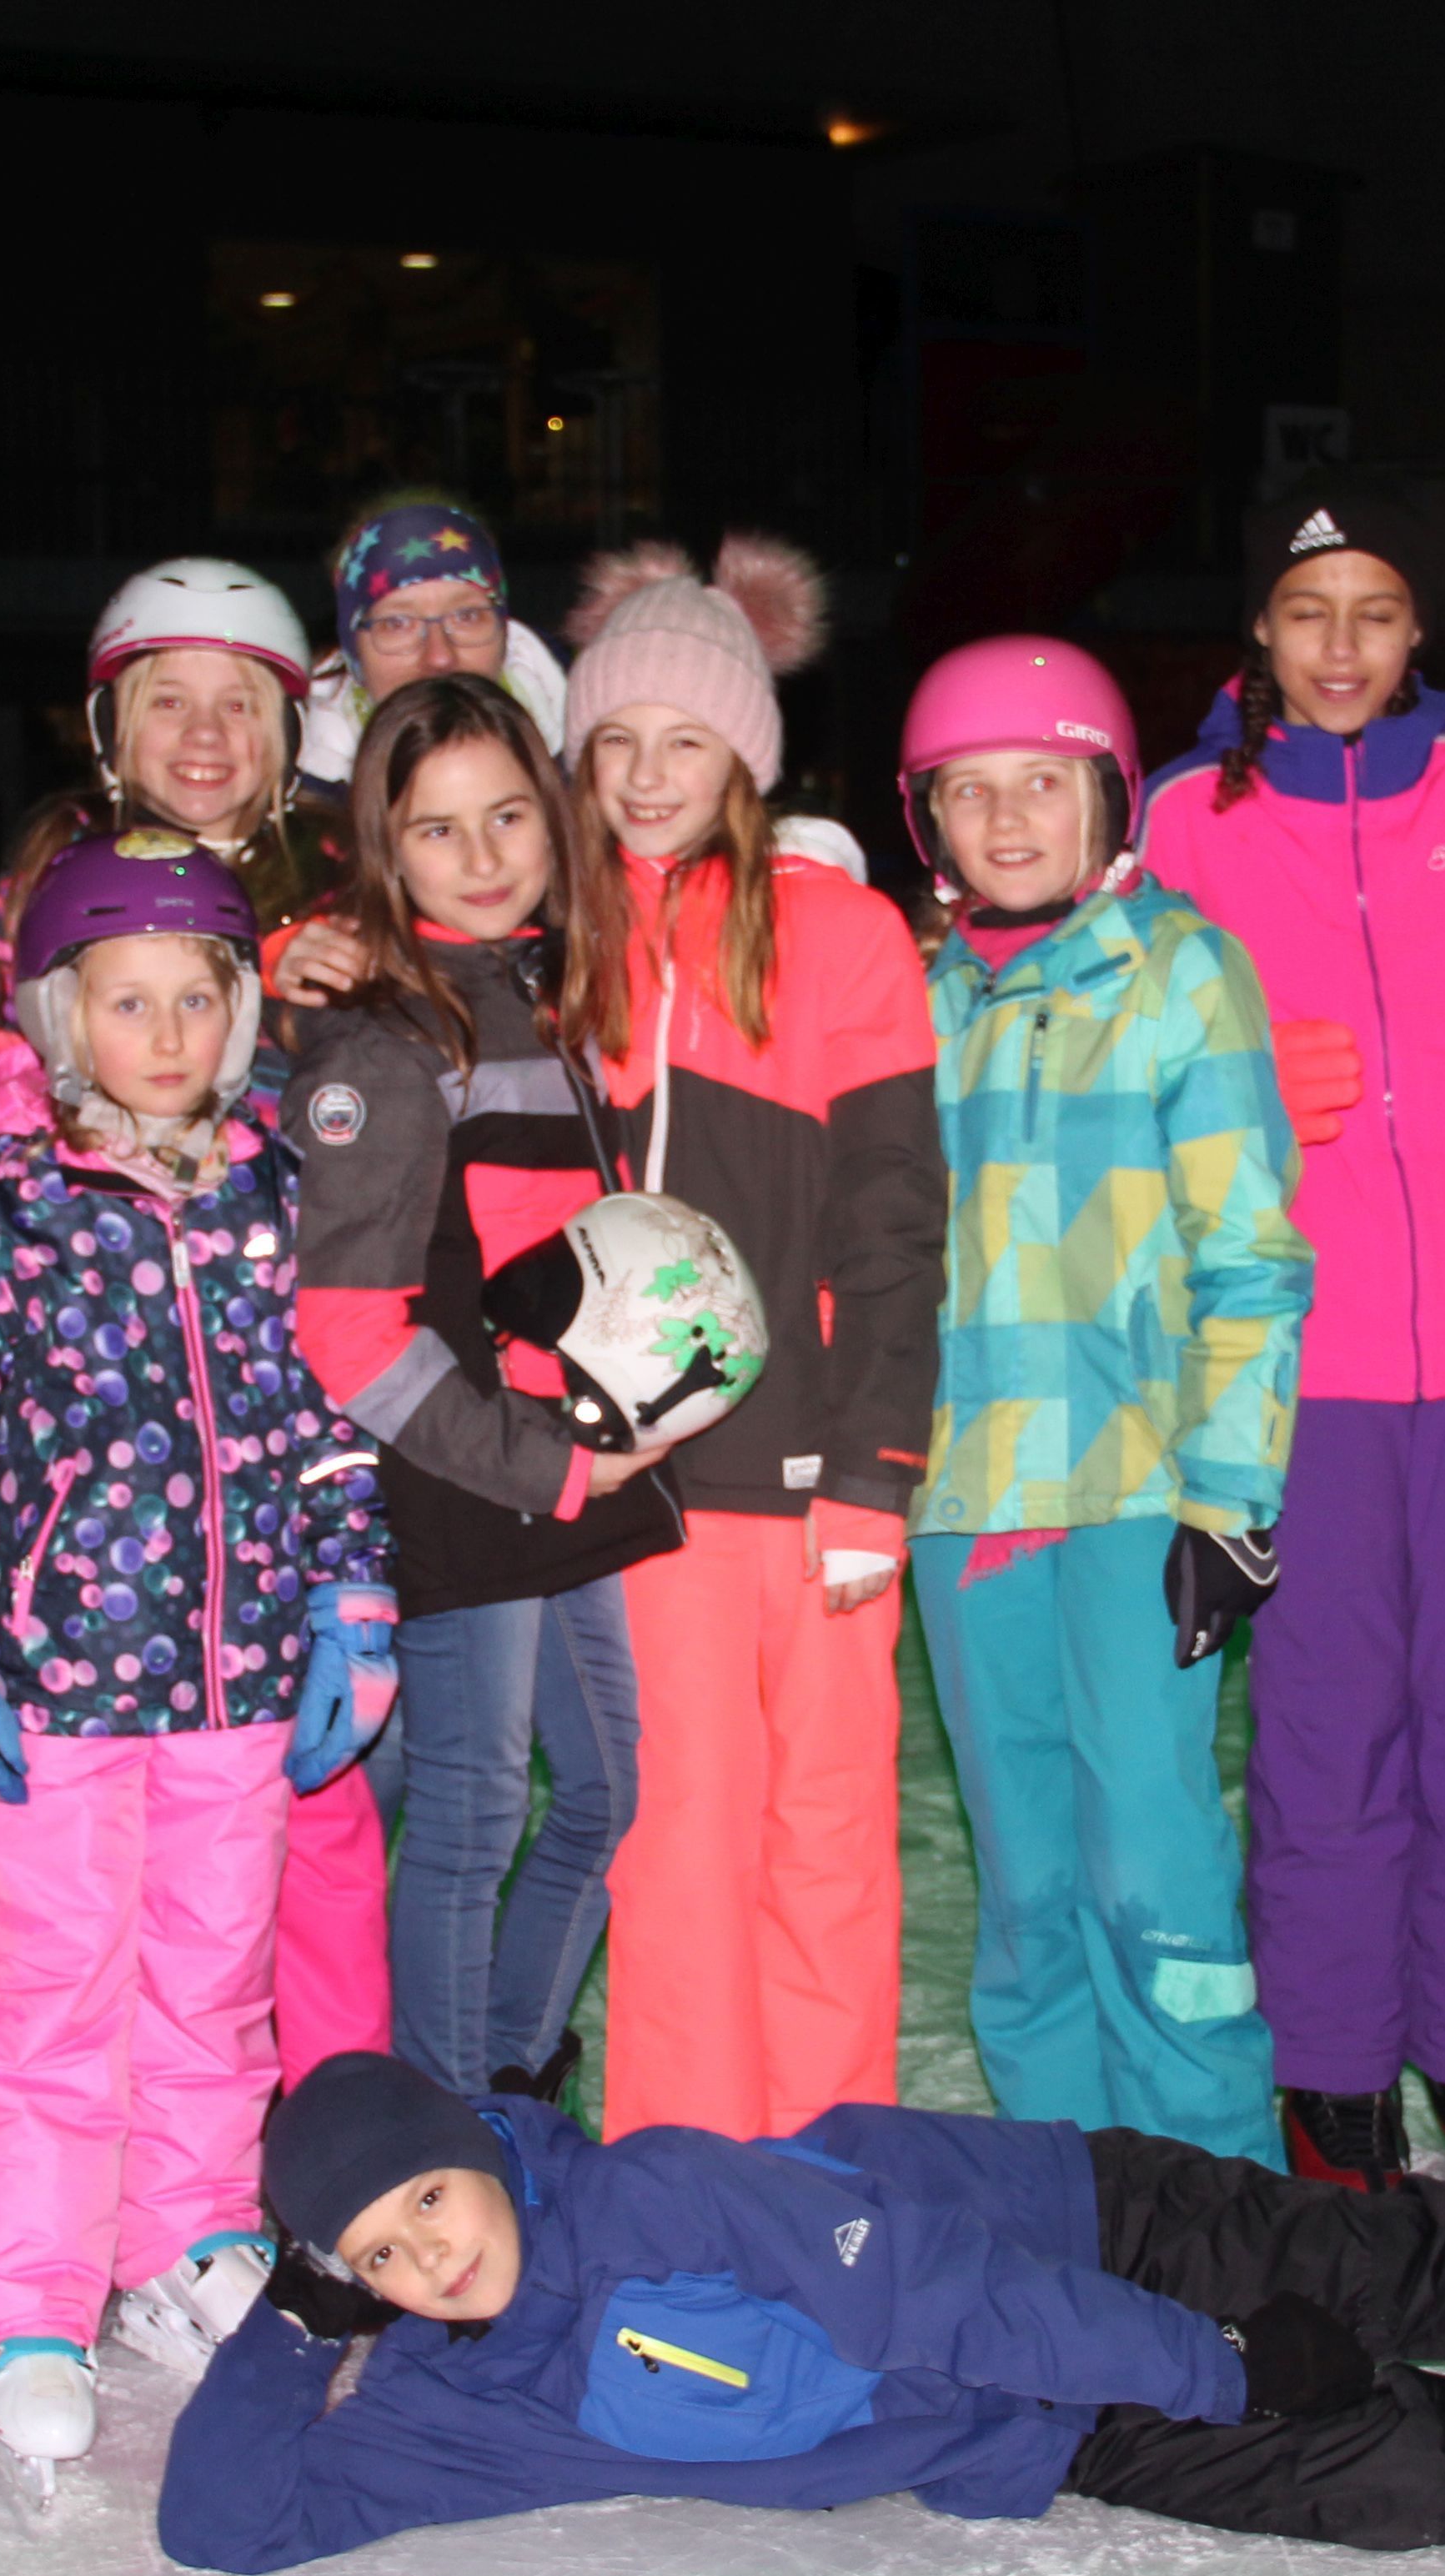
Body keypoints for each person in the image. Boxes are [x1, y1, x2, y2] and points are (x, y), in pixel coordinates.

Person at [154, 2051, 1445, 2576]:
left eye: (424, 2199)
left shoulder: (651, 2186)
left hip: (1096, 2238)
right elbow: (226, 2523)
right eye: (378, 2256)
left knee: (1440, 2276)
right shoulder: (438, 2401)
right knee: (1412, 2483)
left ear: (473, 2152)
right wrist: (281, 2297)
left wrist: (1226, 2352)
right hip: (1047, 2423)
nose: (428, 2257)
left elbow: (952, 2285)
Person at [0, 834, 396, 2484]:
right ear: (57, 1010)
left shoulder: (267, 1193)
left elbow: (326, 1420)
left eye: (196, 998)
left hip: (236, 1672)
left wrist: (351, 1600)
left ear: (237, 1015)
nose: (164, 1032)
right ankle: (26, 2298)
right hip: (58, 1674)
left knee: (213, 1971)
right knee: (48, 1985)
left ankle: (185, 2233)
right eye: (128, 999)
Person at [1136, 487, 1445, 2197]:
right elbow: (1130, 1088)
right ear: (1259, 640)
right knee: (1324, 1740)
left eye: (1376, 612)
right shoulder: (1184, 821)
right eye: (1308, 613)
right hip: (1296, 1369)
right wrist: (1240, 1102)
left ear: (1419, 632)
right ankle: (1336, 2069)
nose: (1342, 647)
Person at [897, 636, 1308, 2168]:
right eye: (968, 793)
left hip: (1136, 1493)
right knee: (1024, 1890)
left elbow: (1251, 1257)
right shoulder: (919, 998)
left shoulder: (1177, 970)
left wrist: (1227, 1496)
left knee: (1153, 1872)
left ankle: (1219, 2203)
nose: (1006, 822)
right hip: (964, 1502)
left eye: (1042, 786)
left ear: (1107, 799)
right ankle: (1062, 2201)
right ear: (925, 818)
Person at [556, 536, 947, 2142]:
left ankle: (825, 2178)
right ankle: (682, 2182)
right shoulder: (553, 940)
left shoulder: (833, 933)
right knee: (672, 1851)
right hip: (636, 1488)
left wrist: (874, 1470)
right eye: (616, 740)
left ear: (745, 756)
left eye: (686, 740)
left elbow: (895, 1223)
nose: (648, 777)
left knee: (828, 1845)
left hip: (810, 1486)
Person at [13, 559, 395, 2086]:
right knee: (114, 1838)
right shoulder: (51, 882)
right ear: (111, 720)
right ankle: (140, 2133)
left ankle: (342, 2122)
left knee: (321, 1814)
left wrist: (330, 1002)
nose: (203, 731)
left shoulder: (351, 879)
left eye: (239, 702)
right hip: (110, 1444)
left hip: (301, 1402)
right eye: (168, 697)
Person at [283, 676, 677, 2104]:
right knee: (469, 1817)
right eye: (437, 831)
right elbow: (344, 1331)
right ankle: (443, 2132)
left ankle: (503, 2078)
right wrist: (536, 1460)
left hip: (553, 1467)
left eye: (507, 814)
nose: (484, 852)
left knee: (607, 1796)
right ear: (386, 853)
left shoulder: (540, 995)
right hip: (463, 1482)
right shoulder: (392, 1040)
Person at [293, 498, 569, 801]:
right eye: (397, 623)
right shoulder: (295, 801)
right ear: (352, 648)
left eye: (467, 616)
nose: (439, 657)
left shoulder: (593, 762)